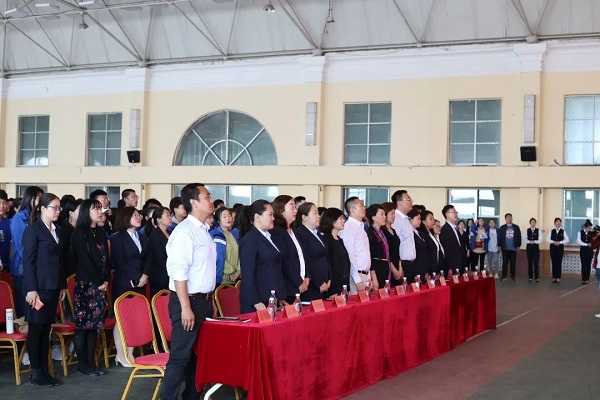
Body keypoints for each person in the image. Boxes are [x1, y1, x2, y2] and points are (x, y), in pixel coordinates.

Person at [160, 183, 216, 400]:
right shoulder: (184, 232)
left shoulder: (204, 231)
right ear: (194, 202)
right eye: (207, 197)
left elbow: (205, 272)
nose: (211, 201)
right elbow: (178, 272)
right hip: (187, 301)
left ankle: (192, 397)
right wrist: (185, 307)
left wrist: (210, 301)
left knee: (199, 357)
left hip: (203, 301)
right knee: (180, 357)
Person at [22, 193, 66, 387]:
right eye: (54, 207)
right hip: (38, 288)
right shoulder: (33, 230)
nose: (58, 211)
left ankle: (45, 371)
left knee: (46, 329)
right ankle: (36, 372)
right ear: (42, 209)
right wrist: (31, 289)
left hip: (53, 287)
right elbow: (28, 262)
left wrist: (62, 284)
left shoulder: (56, 230)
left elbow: (59, 260)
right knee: (36, 330)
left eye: (59, 208)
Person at [71, 199, 110, 377]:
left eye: (100, 208)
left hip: (100, 285)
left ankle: (92, 363)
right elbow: (84, 260)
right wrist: (98, 281)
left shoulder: (100, 232)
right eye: (96, 209)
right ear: (87, 212)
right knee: (83, 326)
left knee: (94, 326)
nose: (100, 212)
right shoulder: (79, 233)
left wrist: (106, 279)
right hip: (85, 284)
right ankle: (82, 364)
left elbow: (106, 258)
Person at [111, 206, 149, 367]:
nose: (138, 217)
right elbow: (119, 262)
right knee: (122, 319)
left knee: (135, 318)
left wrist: (145, 275)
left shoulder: (142, 237)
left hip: (141, 282)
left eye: (138, 215)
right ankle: (121, 355)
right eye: (134, 215)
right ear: (125, 218)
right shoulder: (118, 238)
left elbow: (148, 259)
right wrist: (133, 278)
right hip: (124, 283)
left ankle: (130, 353)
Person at [239, 200, 287, 313]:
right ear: (257, 217)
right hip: (258, 301)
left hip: (271, 297)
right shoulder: (250, 239)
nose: (273, 218)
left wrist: (280, 296)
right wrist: (255, 301)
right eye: (270, 215)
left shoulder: (269, 236)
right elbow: (247, 274)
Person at [11, 185, 44, 318]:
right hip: (23, 268)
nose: (40, 201)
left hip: (37, 267)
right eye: (38, 198)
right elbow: (21, 247)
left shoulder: (39, 216)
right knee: (25, 308)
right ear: (29, 198)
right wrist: (34, 261)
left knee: (36, 308)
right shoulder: (19, 218)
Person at [270, 195, 307, 304]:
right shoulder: (276, 233)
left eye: (295, 207)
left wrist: (307, 277)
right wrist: (299, 282)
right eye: (292, 207)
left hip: (303, 284)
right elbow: (285, 262)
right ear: (281, 210)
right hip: (289, 286)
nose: (295, 211)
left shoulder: (294, 230)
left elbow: (302, 255)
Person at [294, 202, 331, 300]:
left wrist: (329, 278)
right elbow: (308, 261)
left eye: (318, 213)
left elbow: (325, 257)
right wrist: (319, 282)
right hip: (312, 285)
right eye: (314, 213)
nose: (318, 216)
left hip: (325, 283)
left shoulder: (317, 233)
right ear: (304, 217)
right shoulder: (300, 234)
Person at [339, 197, 370, 294]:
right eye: (361, 205)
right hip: (356, 276)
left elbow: (365, 254)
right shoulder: (348, 228)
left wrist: (368, 277)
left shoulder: (361, 227)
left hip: (365, 274)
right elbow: (350, 256)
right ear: (352, 209)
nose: (364, 208)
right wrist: (357, 279)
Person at [320, 208, 350, 296]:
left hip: (343, 285)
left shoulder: (339, 240)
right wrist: (332, 290)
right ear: (331, 220)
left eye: (343, 218)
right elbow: (328, 265)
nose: (343, 221)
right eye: (340, 218)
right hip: (333, 288)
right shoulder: (326, 240)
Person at [145, 207, 172, 297]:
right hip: (160, 276)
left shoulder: (171, 233)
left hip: (171, 273)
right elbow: (160, 258)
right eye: (167, 215)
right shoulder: (155, 235)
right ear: (159, 219)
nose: (170, 218)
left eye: (170, 215)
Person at [210, 207, 240, 285]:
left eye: (229, 215)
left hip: (235, 278)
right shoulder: (216, 235)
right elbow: (219, 257)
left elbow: (239, 253)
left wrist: (238, 270)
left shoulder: (234, 234)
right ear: (218, 220)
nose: (228, 218)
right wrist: (232, 271)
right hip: (222, 279)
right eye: (224, 216)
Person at [391, 190, 416, 282]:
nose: (411, 202)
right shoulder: (396, 219)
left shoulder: (406, 219)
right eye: (408, 199)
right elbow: (394, 244)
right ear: (399, 202)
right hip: (402, 264)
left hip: (410, 264)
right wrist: (399, 266)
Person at [366, 204, 390, 290]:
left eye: (385, 214)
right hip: (377, 269)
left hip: (384, 267)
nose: (385, 217)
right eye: (381, 214)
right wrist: (374, 278)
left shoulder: (382, 232)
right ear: (373, 217)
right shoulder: (370, 233)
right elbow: (371, 256)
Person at [60, 198, 82, 278]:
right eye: (80, 211)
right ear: (71, 213)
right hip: (69, 273)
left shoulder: (80, 230)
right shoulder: (64, 231)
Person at [382, 202, 402, 286]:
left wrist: (400, 268)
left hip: (397, 264)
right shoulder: (382, 232)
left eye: (394, 213)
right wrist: (393, 270)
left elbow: (397, 250)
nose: (394, 216)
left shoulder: (393, 230)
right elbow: (386, 253)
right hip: (388, 267)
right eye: (392, 213)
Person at [440, 205, 464, 275]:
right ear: (447, 214)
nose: (456, 214)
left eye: (456, 212)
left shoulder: (455, 229)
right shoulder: (445, 230)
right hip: (451, 266)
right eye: (453, 212)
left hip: (458, 264)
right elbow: (446, 250)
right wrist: (449, 267)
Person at [498, 213, 522, 282]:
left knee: (513, 263)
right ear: (505, 219)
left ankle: (512, 276)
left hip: (513, 248)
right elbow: (500, 237)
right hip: (505, 248)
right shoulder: (502, 227)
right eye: (508, 217)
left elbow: (519, 237)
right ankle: (504, 276)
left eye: (510, 217)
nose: (509, 218)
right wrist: (499, 245)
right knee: (505, 263)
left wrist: (518, 245)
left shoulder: (516, 227)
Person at [546, 217, 569, 283]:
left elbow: (567, 240)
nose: (558, 223)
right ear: (555, 223)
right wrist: (553, 242)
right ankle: (554, 277)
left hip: (560, 248)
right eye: (557, 222)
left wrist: (560, 242)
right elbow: (547, 239)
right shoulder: (552, 231)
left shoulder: (563, 231)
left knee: (559, 262)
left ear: (561, 223)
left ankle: (558, 277)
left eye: (559, 222)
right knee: (553, 262)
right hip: (553, 248)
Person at [408, 209, 428, 281]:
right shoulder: (409, 233)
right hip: (415, 268)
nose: (420, 221)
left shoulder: (420, 233)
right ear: (410, 219)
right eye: (418, 219)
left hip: (423, 268)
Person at [420, 210, 440, 276]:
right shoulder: (422, 234)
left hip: (434, 267)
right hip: (428, 269)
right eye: (430, 219)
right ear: (423, 221)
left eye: (433, 219)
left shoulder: (431, 233)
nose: (433, 221)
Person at [578, 220, 596, 285]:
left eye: (590, 228)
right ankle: (583, 279)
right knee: (583, 264)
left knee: (588, 265)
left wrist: (594, 231)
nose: (590, 229)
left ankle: (587, 279)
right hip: (583, 250)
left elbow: (595, 239)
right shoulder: (580, 232)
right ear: (585, 227)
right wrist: (586, 244)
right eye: (589, 228)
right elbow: (579, 241)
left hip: (589, 250)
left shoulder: (592, 233)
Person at [525, 218, 542, 282]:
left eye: (534, 222)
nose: (533, 223)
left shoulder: (538, 231)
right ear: (530, 223)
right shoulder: (527, 230)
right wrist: (529, 242)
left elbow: (540, 239)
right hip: (529, 247)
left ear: (535, 223)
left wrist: (534, 241)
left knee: (536, 263)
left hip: (536, 247)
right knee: (529, 262)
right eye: (531, 222)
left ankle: (537, 277)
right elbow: (524, 239)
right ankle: (530, 277)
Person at [0, 190, 12, 271]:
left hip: (6, 267)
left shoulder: (9, 223)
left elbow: (11, 244)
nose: (1, 206)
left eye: (4, 203)